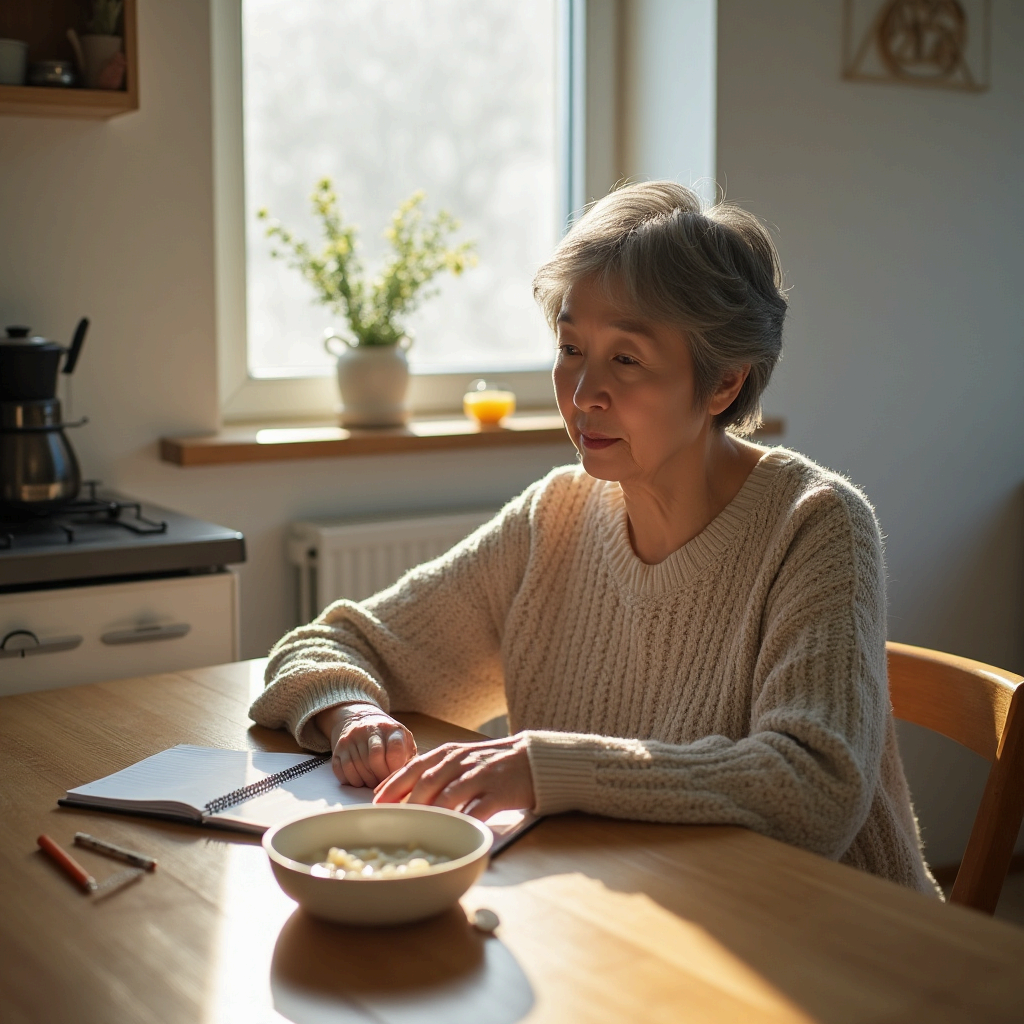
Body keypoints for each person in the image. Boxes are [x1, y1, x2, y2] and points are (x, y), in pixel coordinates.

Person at [250, 181, 939, 896]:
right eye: (572, 347)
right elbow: (328, 646)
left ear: (724, 383)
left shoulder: (815, 524)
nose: (582, 396)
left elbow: (815, 790)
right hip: (637, 908)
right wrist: (355, 715)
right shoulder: (556, 516)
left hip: (828, 931)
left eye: (627, 360)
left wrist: (551, 768)